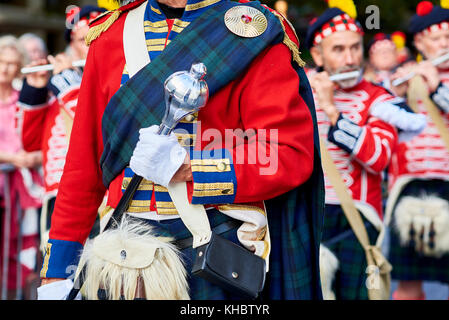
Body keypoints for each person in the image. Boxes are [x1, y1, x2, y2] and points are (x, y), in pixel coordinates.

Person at [37, 0, 325, 300]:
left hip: (212, 255)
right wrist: (57, 271)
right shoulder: (111, 35)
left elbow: (286, 153)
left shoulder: (252, 29)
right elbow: (84, 165)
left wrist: (189, 168)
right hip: (120, 257)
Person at [305, 2, 425, 300]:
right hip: (306, 214)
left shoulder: (379, 99)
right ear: (318, 54)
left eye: (356, 48)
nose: (350, 59)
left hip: (356, 219)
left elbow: (379, 159)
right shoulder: (300, 93)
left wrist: (332, 111)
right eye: (338, 50)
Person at [18, 5, 107, 255]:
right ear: (72, 46)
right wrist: (35, 93)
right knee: (57, 276)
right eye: (83, 40)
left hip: (101, 195)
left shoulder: (110, 77)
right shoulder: (59, 81)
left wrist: (66, 82)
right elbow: (31, 142)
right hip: (59, 196)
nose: (91, 45)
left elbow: (98, 126)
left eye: (97, 37)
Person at [386, 1, 449, 300]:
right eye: (437, 39)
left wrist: (436, 86)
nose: (444, 44)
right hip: (410, 188)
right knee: (408, 283)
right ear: (420, 42)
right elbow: (379, 115)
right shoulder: (407, 76)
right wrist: (395, 91)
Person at [0, 35, 43, 300]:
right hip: (6, 179)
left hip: (20, 190)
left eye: (13, 63)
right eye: (2, 61)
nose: (6, 68)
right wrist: (12, 159)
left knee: (16, 250)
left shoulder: (24, 98)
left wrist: (34, 157)